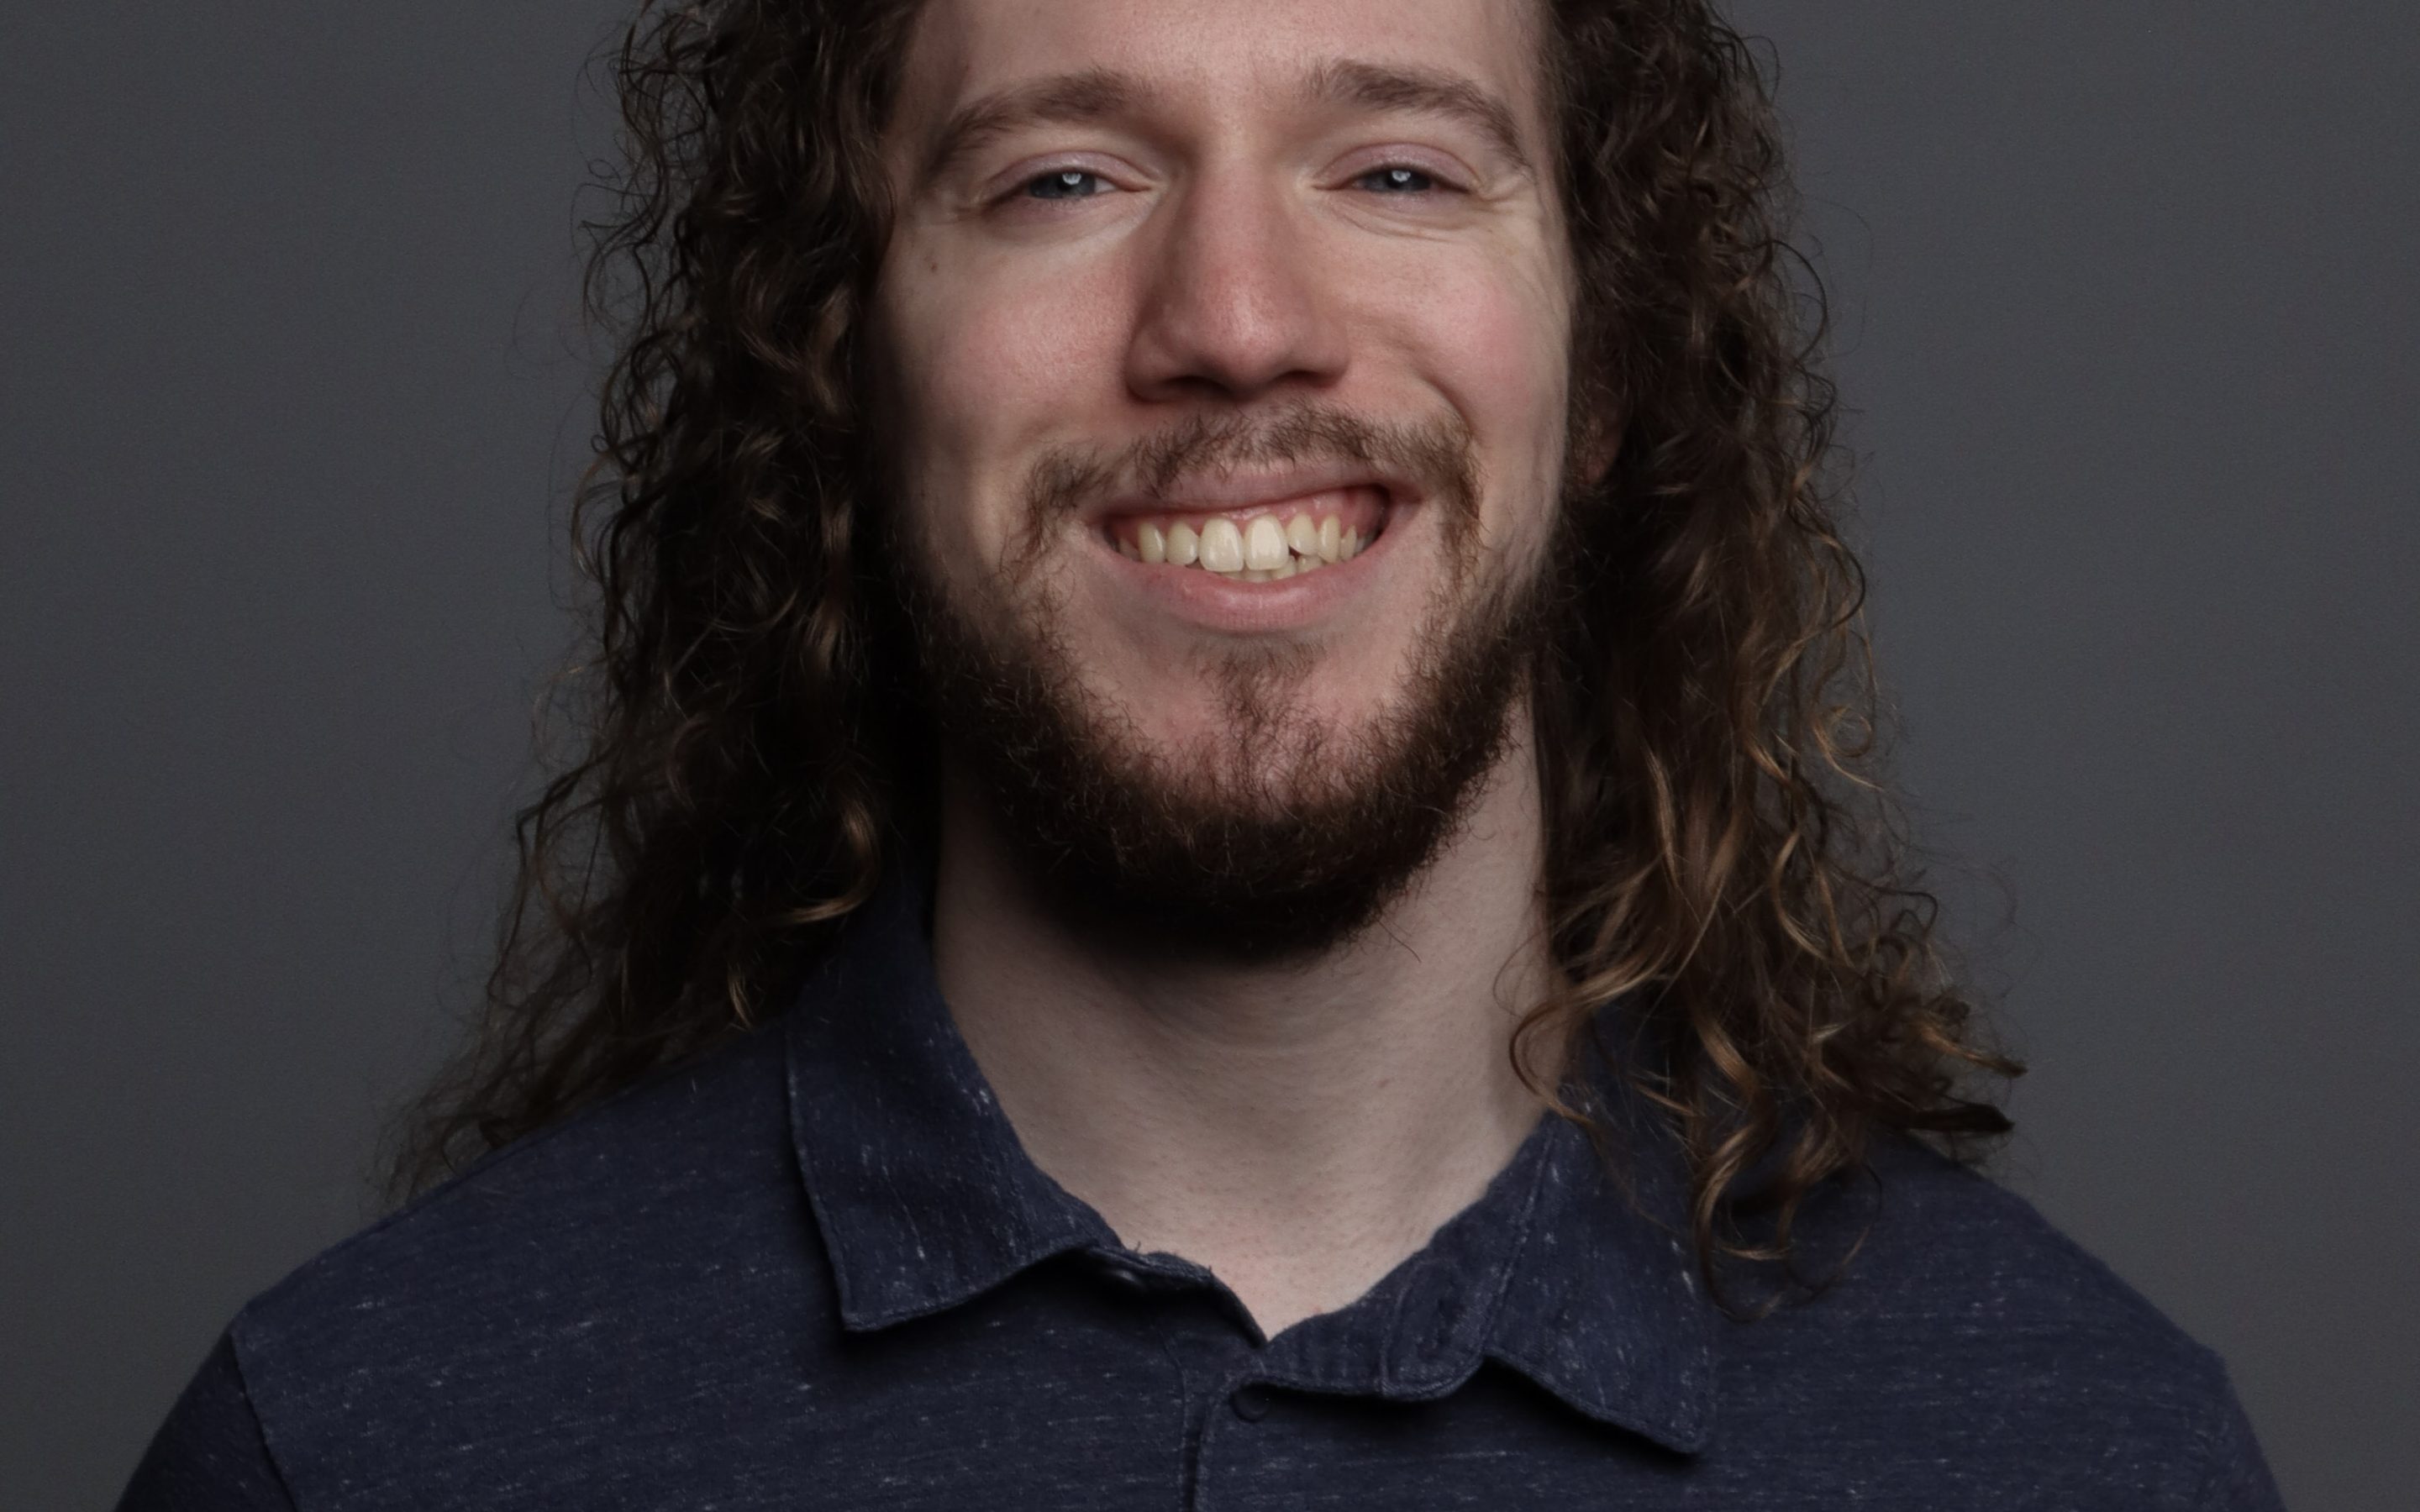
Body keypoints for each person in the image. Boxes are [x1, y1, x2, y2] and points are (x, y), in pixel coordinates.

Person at [120, 0, 2285, 1506]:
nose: (1238, 317)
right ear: (848, 372)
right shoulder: (356, 1453)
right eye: (1064, 175)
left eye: (1399, 167)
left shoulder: (2094, 1461)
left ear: (1603, 367)